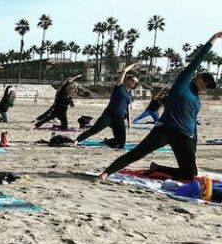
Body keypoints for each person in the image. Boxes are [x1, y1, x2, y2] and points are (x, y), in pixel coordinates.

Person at [98, 31, 221, 182]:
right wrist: (214, 39)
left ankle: (157, 168)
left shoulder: (197, 99)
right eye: (203, 83)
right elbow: (198, 59)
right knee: (137, 153)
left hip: (184, 136)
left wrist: (192, 149)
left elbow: (193, 124)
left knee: (190, 173)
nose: (203, 87)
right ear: (197, 77)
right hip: (165, 130)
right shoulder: (183, 83)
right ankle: (106, 173)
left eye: (206, 87)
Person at [74, 63, 140, 149]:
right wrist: (134, 64)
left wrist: (129, 122)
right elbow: (124, 71)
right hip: (109, 115)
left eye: (135, 83)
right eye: (132, 80)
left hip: (119, 119)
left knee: (121, 143)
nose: (134, 83)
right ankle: (76, 141)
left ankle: (107, 141)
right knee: (94, 130)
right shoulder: (119, 86)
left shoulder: (129, 94)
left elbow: (127, 108)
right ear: (127, 80)